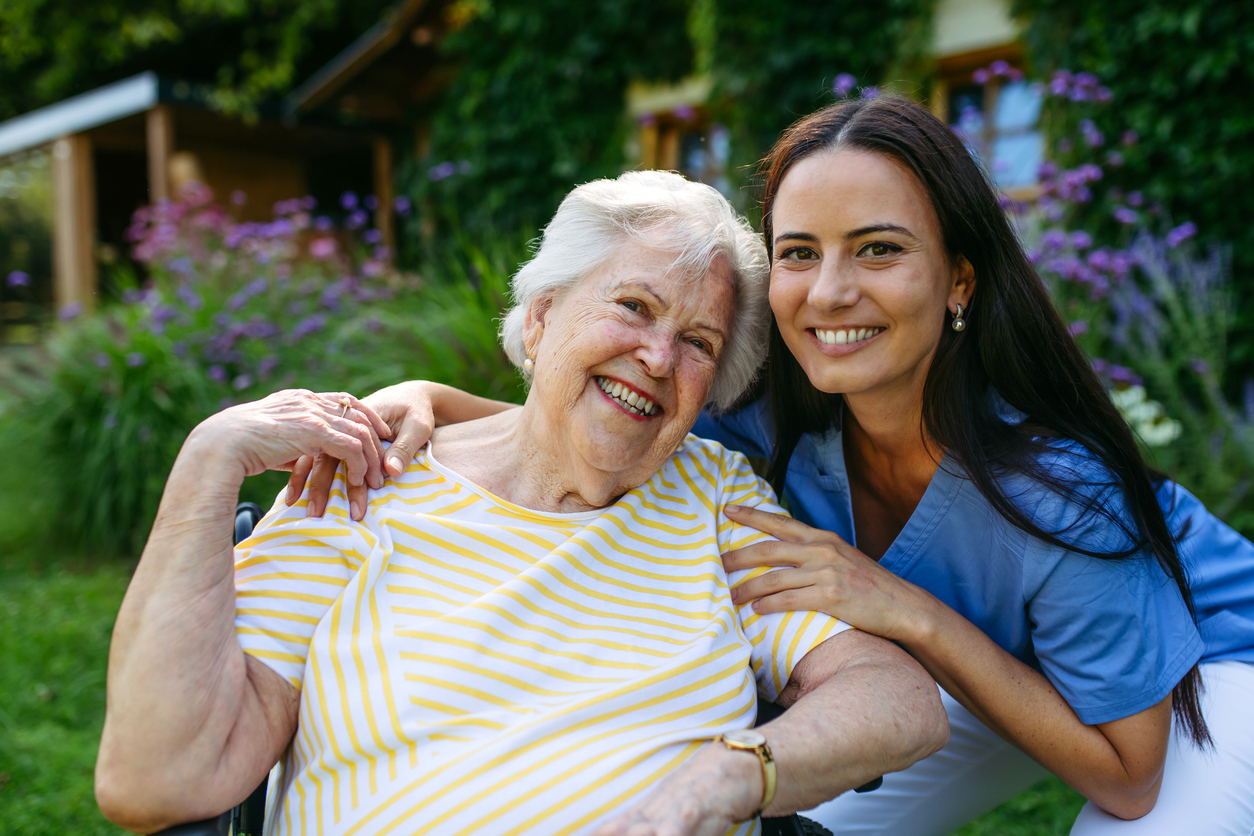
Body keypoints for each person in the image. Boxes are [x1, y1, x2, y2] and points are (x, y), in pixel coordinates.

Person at [319, 97, 1254, 835]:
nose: (832, 291)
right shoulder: (772, 418)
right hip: (991, 670)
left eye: (879, 250)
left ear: (960, 279)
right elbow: (616, 421)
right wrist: (435, 400)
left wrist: (903, 610)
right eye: (801, 254)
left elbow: (1129, 776)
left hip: (1197, 681)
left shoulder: (1061, 491)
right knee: (792, 821)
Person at [94, 170, 948, 836]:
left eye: (697, 343)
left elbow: (895, 700)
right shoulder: (364, 484)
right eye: (633, 306)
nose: (657, 356)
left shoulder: (714, 497)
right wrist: (207, 461)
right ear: (540, 318)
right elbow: (157, 780)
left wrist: (725, 776)